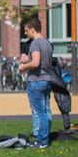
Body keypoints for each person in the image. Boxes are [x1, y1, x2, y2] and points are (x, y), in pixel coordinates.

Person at [19, 17, 54, 148]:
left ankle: (42, 141)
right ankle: (45, 138)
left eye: (26, 30)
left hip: (36, 82)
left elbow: (35, 63)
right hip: (46, 80)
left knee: (40, 113)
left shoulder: (35, 43)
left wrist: (23, 66)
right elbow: (45, 63)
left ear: (33, 29)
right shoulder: (47, 43)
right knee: (45, 111)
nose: (25, 33)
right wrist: (27, 58)